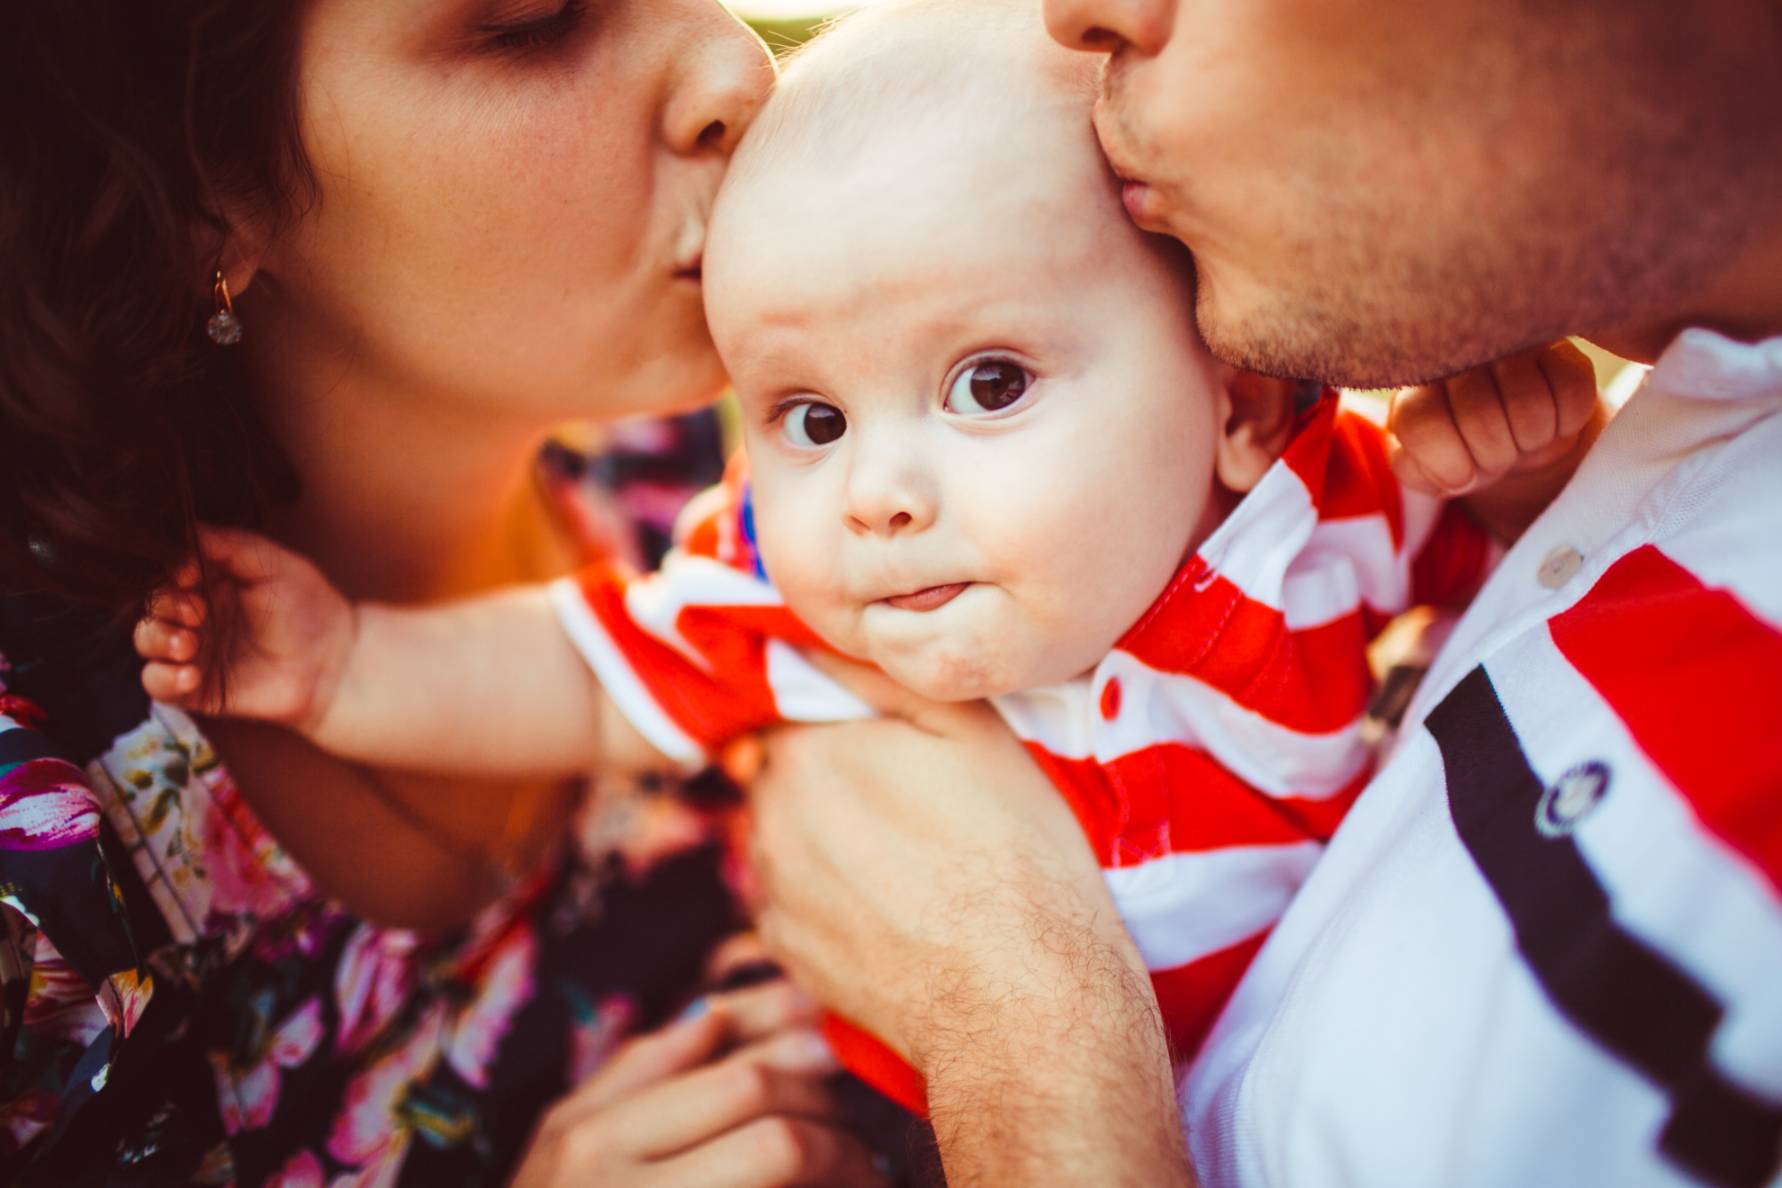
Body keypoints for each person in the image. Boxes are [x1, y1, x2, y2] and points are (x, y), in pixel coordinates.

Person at [135, 0, 1599, 1128]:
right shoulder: (776, 566)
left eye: (990, 385)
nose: (881, 491)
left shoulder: (1313, 508)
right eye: (813, 417)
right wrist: (342, 667)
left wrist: (1521, 460)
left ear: (1235, 397)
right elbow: (581, 664)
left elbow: (1527, 587)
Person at [742, 0, 1782, 1183]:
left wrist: (1017, 1012)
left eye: (992, 382)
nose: (1081, 14)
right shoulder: (1673, 455)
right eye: (813, 418)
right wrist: (1531, 492)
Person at [0, 3, 885, 1184]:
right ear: (199, 185)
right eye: (534, 20)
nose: (735, 64)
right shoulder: (40, 868)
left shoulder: (720, 465)